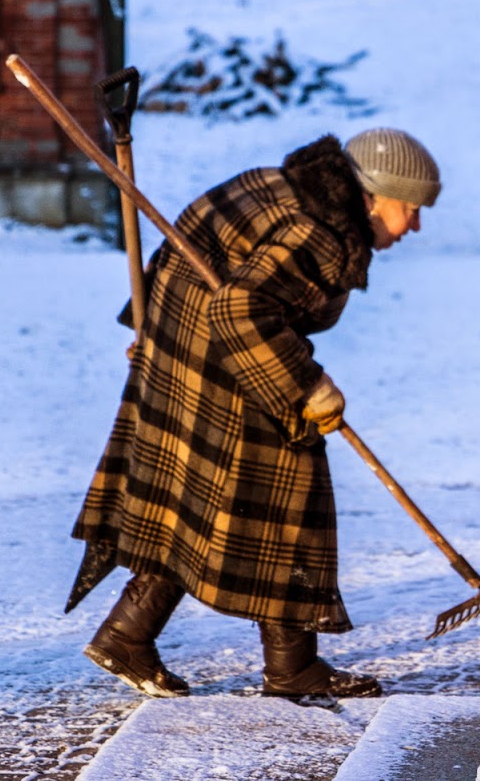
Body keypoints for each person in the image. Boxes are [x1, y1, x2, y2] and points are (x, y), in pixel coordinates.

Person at [65, 128, 440, 701]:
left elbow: (188, 238)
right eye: (409, 210)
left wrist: (155, 331)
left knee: (206, 498)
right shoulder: (319, 232)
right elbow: (240, 306)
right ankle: (284, 667)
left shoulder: (281, 186)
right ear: (373, 195)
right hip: (220, 355)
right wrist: (307, 385)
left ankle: (130, 636)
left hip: (191, 350)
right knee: (288, 496)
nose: (413, 226)